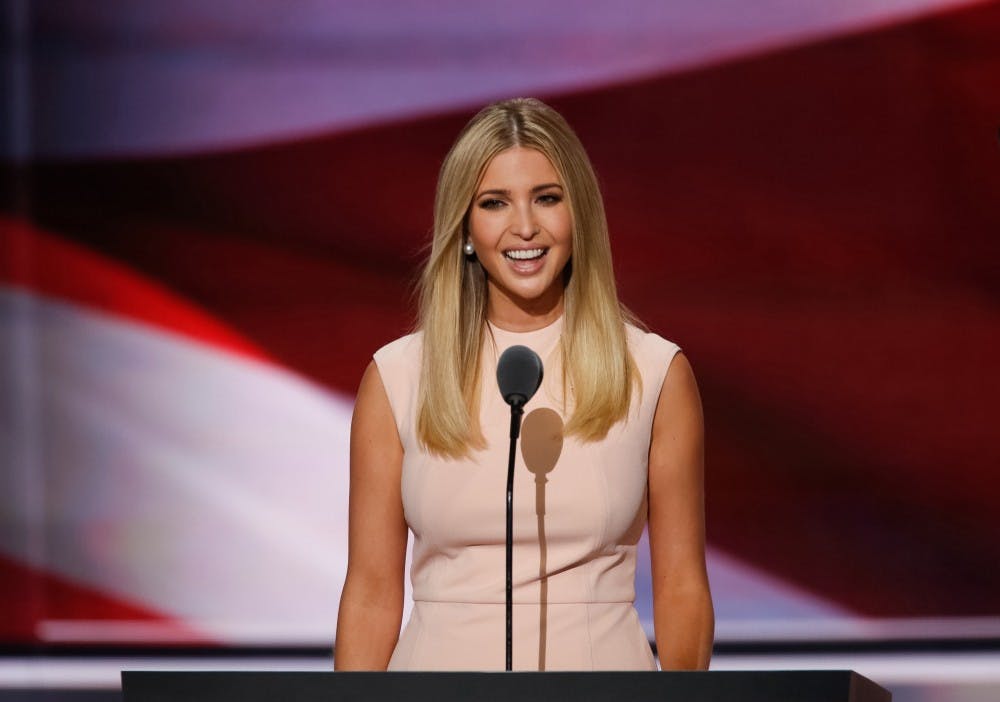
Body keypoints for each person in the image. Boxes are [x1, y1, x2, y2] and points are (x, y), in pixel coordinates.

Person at [335, 97, 713, 671]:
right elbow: (369, 591)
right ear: (465, 226)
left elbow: (683, 586)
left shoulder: (655, 374)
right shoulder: (398, 378)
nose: (525, 227)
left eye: (547, 198)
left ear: (577, 212)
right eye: (494, 203)